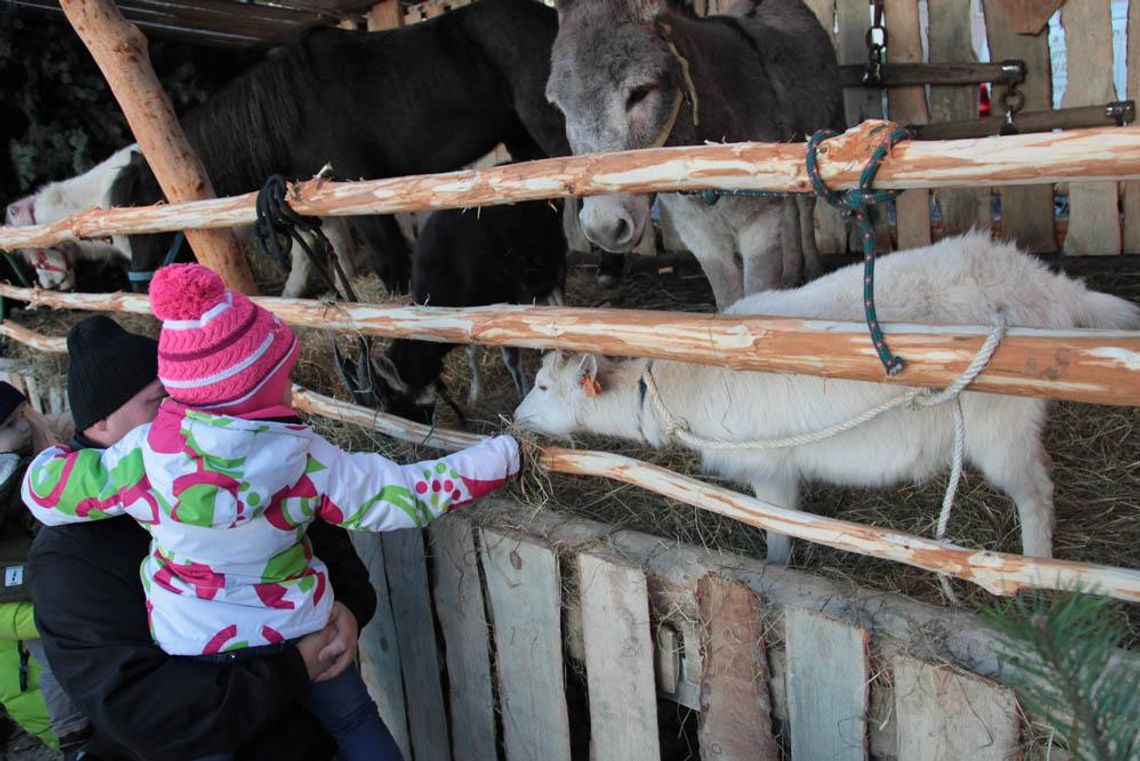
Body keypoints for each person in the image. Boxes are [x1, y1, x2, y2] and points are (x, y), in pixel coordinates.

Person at [24, 267, 520, 761]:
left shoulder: (138, 458)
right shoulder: (302, 457)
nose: (289, 394)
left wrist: (48, 459)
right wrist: (501, 456)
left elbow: (44, 491)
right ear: (99, 421)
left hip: (198, 642)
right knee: (356, 720)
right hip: (297, 625)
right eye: (159, 400)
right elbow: (403, 492)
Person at [28, 315, 382, 760]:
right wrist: (292, 668)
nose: (188, 417)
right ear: (100, 424)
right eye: (162, 403)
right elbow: (139, 705)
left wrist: (347, 606)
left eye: (188, 399)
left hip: (313, 738)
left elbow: (331, 550)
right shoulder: (70, 555)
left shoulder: (237, 462)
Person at [0, 380, 87, 756]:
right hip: (24, 588)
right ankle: (72, 734)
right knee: (52, 659)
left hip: (38, 581)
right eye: (9, 425)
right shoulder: (12, 475)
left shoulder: (36, 460)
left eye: (22, 417)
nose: (22, 427)